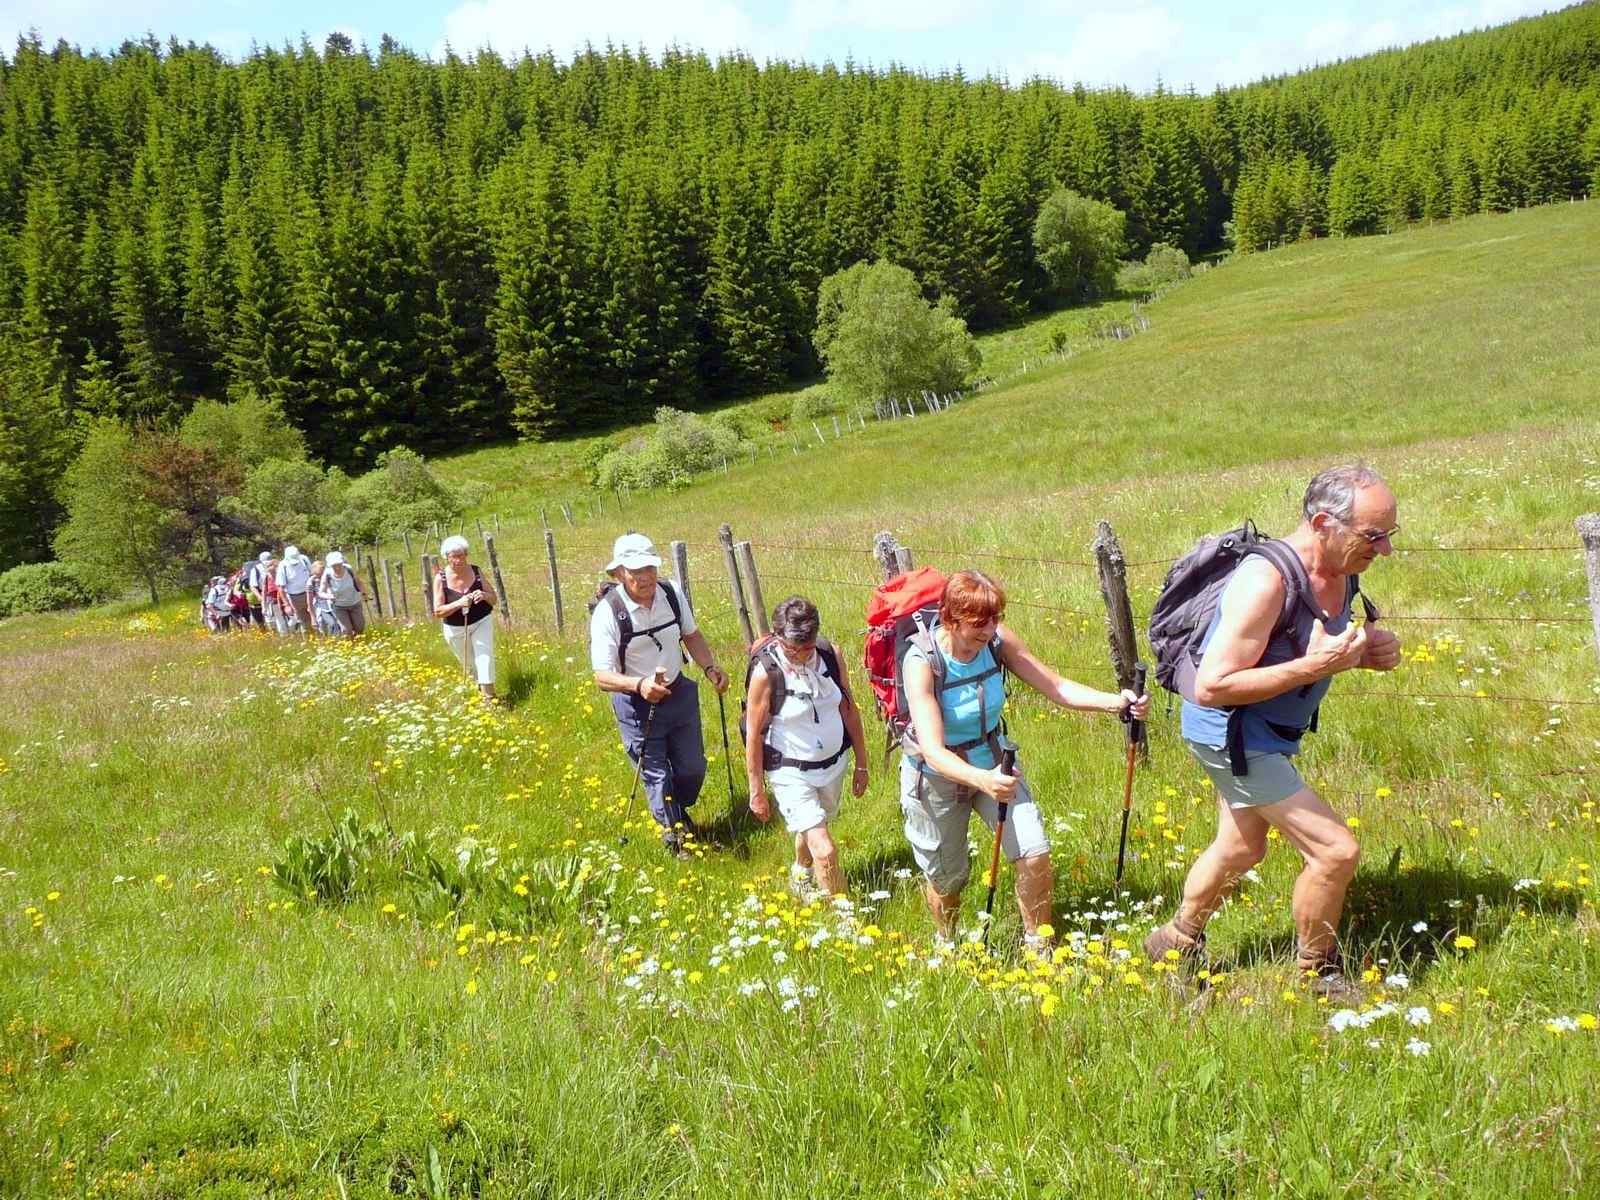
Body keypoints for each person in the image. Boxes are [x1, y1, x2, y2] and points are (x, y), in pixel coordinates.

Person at [1144, 463, 1402, 1000]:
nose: (1384, 551)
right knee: (1335, 852)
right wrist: (1317, 668)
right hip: (1231, 733)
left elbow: (1309, 649)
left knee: (1241, 847)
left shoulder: (1341, 569)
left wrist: (1365, 657)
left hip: (1266, 731)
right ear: (1324, 522)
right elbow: (1213, 686)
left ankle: (1174, 940)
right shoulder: (1266, 581)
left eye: (1388, 535)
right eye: (1372, 537)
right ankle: (1318, 974)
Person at [901, 570, 1148, 949]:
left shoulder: (998, 641)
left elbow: (1057, 687)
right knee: (947, 880)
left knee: (1034, 852)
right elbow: (933, 751)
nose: (989, 630)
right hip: (937, 777)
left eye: (995, 619)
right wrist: (981, 781)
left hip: (994, 761)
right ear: (951, 618)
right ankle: (945, 942)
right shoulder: (922, 661)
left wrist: (1117, 702)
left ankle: (1038, 948)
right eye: (979, 623)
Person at [589, 533, 729, 858]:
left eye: (649, 568)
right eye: (635, 571)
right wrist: (639, 686)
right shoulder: (608, 613)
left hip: (678, 693)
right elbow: (601, 675)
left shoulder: (670, 593)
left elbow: (691, 635)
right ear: (619, 574)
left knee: (693, 767)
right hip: (636, 704)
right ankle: (675, 836)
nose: (645, 577)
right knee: (656, 775)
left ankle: (677, 813)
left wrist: (710, 669)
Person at [744, 596, 870, 898]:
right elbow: (753, 734)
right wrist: (756, 791)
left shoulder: (829, 656)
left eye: (806, 647)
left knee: (815, 824)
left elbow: (849, 709)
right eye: (792, 648)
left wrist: (862, 763)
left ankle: (801, 872)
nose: (800, 655)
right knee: (825, 849)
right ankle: (844, 919)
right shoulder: (766, 674)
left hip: (832, 765)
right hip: (790, 771)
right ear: (777, 638)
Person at [433, 535, 499, 702]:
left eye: (462, 555)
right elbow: (438, 611)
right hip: (455, 628)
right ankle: (476, 689)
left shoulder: (476, 571)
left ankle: (489, 699)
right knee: (470, 663)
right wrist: (459, 603)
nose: (459, 560)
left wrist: (484, 595)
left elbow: (494, 599)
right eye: (454, 556)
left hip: (481, 620)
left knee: (484, 658)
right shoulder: (440, 579)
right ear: (446, 557)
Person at [319, 551, 367, 636]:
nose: (337, 567)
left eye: (339, 564)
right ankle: (351, 645)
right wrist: (329, 596)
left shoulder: (349, 569)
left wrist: (364, 593)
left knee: (360, 627)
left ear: (342, 562)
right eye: (334, 565)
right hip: (339, 606)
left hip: (354, 602)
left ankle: (358, 642)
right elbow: (321, 592)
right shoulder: (327, 574)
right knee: (346, 630)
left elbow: (359, 582)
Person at [276, 546, 314, 633]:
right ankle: (309, 640)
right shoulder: (283, 565)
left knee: (315, 618)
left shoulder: (304, 559)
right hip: (295, 598)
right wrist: (287, 605)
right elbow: (280, 587)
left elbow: (312, 574)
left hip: (310, 593)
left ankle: (320, 637)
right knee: (304, 621)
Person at [308, 559, 343, 636]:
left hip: (334, 604)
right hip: (322, 607)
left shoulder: (330, 577)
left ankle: (338, 639)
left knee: (341, 625)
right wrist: (313, 618)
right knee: (332, 624)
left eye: (321, 574)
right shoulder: (311, 582)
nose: (319, 578)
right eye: (318, 575)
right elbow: (309, 601)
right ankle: (333, 640)